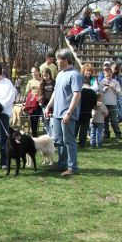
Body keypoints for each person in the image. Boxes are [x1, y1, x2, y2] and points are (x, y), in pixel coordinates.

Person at [44, 48, 82, 176]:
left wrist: (69, 113)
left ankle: (72, 167)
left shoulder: (75, 75)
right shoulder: (60, 74)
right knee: (59, 141)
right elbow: (55, 92)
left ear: (65, 59)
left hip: (67, 115)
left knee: (69, 141)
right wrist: (48, 106)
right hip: (57, 114)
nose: (56, 62)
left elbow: (76, 95)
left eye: (58, 59)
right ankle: (61, 164)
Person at [98, 67, 122, 139]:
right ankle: (106, 134)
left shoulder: (115, 82)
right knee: (105, 120)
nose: (108, 77)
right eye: (106, 76)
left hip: (112, 104)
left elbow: (120, 92)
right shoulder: (102, 82)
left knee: (114, 120)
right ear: (104, 75)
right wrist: (103, 90)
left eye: (110, 75)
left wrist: (113, 88)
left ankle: (118, 134)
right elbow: (98, 92)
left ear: (112, 74)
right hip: (104, 103)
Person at [75, 76, 97, 148]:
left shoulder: (79, 91)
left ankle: (72, 142)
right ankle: (82, 144)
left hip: (78, 113)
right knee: (84, 130)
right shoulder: (93, 93)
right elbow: (94, 104)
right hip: (87, 113)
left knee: (75, 128)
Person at [25, 66, 42, 137]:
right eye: (32, 72)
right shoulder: (30, 82)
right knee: (33, 120)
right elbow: (27, 92)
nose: (33, 73)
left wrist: (41, 97)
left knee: (44, 120)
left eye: (35, 71)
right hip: (32, 104)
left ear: (38, 72)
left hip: (41, 102)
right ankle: (34, 136)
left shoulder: (42, 80)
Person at [39, 68, 55, 136]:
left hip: (53, 102)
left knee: (53, 119)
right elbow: (41, 93)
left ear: (50, 75)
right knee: (46, 119)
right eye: (44, 76)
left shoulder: (54, 82)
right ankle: (48, 135)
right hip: (45, 103)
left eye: (46, 75)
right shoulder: (42, 83)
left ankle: (53, 135)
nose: (45, 77)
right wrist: (40, 98)